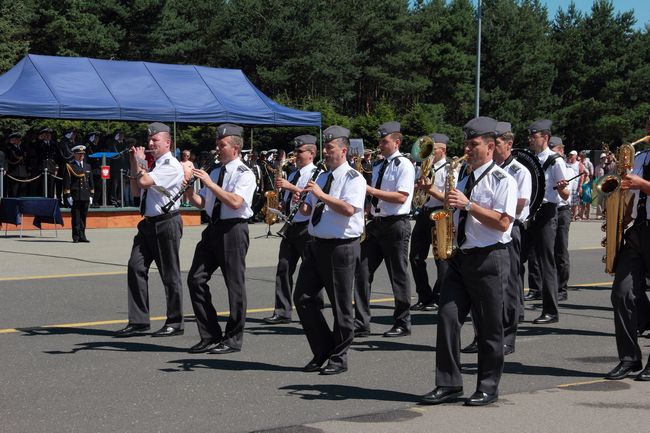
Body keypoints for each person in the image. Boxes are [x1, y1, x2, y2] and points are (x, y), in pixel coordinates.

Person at [421, 116, 517, 406]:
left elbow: (502, 223)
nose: (468, 149)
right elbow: (457, 207)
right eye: (466, 144)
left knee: (489, 328)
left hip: (490, 258)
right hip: (460, 258)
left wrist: (469, 205)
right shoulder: (464, 176)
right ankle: (449, 383)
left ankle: (488, 386)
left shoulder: (504, 180)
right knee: (447, 318)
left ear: (490, 147)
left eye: (473, 144)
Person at [293, 125, 366, 375]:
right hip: (317, 244)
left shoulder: (354, 178)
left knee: (341, 305)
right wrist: (302, 203)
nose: (325, 152)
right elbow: (311, 209)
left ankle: (339, 357)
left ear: (344, 150)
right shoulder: (323, 176)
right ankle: (323, 348)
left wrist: (321, 195)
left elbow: (348, 209)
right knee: (302, 298)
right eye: (324, 147)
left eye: (330, 148)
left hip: (341, 247)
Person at [184, 123, 256, 354]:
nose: (218, 147)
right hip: (214, 229)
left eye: (222, 144)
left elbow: (235, 202)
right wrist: (189, 192)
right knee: (195, 279)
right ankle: (210, 334)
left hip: (233, 230)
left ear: (235, 148)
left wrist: (211, 185)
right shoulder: (215, 171)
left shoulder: (245, 173)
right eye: (218, 143)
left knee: (234, 285)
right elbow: (204, 203)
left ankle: (233, 339)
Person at [115, 122, 185, 338]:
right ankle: (138, 321)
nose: (151, 143)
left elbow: (144, 182)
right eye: (149, 140)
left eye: (155, 140)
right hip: (148, 223)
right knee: (135, 267)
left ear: (167, 142)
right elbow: (136, 190)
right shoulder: (154, 165)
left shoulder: (171, 165)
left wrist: (141, 164)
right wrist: (132, 161)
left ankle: (175, 321)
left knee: (169, 274)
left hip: (166, 222)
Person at [354, 121, 415, 338]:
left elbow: (401, 196)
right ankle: (361, 322)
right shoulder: (379, 165)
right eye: (380, 141)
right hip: (377, 224)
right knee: (361, 271)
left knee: (397, 275)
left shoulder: (404, 165)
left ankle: (402, 322)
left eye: (385, 141)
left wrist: (369, 189)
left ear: (397, 142)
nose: (380, 145)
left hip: (396, 224)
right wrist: (368, 206)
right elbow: (377, 194)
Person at [264, 135, 320, 325]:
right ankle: (282, 311)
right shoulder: (295, 172)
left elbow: (311, 199)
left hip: (306, 228)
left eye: (300, 152)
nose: (295, 155)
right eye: (295, 152)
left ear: (311, 154)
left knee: (311, 269)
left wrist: (290, 186)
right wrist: (280, 204)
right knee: (283, 268)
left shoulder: (315, 173)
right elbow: (293, 199)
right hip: (291, 225)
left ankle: (315, 306)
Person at [605, 146, 650, 381]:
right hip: (638, 230)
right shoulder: (642, 157)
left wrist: (642, 184)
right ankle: (629, 357)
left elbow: (641, 186)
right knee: (622, 294)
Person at [523, 120, 570, 324]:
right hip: (529, 212)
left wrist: (561, 188)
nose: (531, 139)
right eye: (530, 136)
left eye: (534, 136)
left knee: (546, 262)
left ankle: (551, 311)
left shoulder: (555, 161)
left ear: (545, 137)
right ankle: (515, 310)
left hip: (547, 212)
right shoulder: (529, 159)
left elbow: (566, 194)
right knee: (518, 259)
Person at [409, 133, 453, 311]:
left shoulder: (451, 169)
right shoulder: (424, 168)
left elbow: (450, 198)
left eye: (433, 150)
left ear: (443, 150)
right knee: (415, 257)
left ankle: (439, 295)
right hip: (424, 212)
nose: (429, 154)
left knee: (441, 259)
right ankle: (423, 295)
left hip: (441, 213)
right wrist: (417, 187)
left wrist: (431, 190)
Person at [62, 145, 94, 243]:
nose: (81, 156)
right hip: (75, 195)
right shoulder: (70, 166)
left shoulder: (87, 166)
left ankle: (82, 236)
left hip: (85, 194)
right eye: (79, 154)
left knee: (83, 217)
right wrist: (68, 195)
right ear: (74, 154)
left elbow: (90, 182)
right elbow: (67, 181)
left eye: (82, 154)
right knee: (76, 217)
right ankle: (75, 236)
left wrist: (91, 195)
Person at [6, 132, 29, 197]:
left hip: (23, 172)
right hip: (14, 172)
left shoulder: (23, 148)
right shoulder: (9, 149)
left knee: (22, 190)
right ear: (13, 140)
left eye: (19, 139)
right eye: (16, 139)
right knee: (14, 191)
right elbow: (9, 160)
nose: (19, 140)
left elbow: (26, 158)